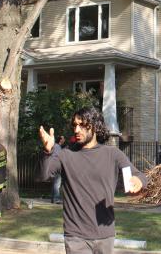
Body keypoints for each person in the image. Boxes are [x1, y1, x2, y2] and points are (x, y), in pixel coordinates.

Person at [39, 107, 147, 254]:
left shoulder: (112, 154)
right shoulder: (66, 155)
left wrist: (139, 181)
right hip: (76, 235)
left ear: (95, 126)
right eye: (74, 125)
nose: (76, 130)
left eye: (82, 125)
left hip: (105, 235)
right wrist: (47, 151)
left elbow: (138, 175)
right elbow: (44, 176)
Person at [51, 135, 66, 204]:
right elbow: (58, 156)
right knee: (57, 184)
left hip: (54, 166)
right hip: (57, 167)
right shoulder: (57, 146)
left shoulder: (57, 146)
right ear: (60, 140)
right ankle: (56, 199)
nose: (64, 140)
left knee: (55, 183)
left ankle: (53, 199)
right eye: (63, 139)